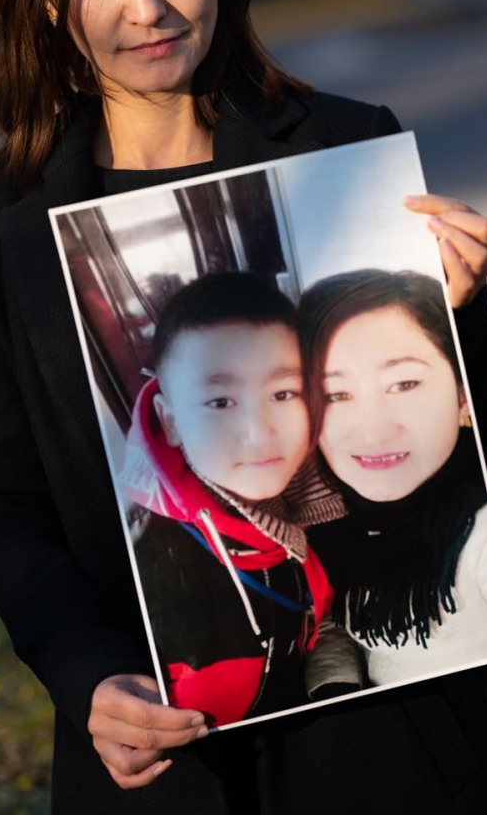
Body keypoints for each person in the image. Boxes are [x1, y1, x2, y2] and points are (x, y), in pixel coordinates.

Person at [0, 0, 487, 811]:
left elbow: (457, 447)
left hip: (397, 749)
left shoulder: (348, 147)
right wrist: (88, 676)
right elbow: (7, 506)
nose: (144, 5)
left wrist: (458, 312)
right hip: (172, 766)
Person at [116, 271, 337, 727]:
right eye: (220, 402)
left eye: (283, 393)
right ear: (170, 420)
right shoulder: (143, 562)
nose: (260, 434)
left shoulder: (333, 491)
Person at [299, 269, 487, 695]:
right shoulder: (325, 522)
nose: (373, 430)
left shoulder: (484, 532)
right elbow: (331, 623)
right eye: (336, 395)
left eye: (403, 383)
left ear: (462, 399)